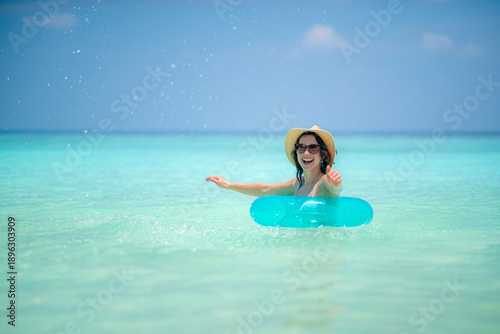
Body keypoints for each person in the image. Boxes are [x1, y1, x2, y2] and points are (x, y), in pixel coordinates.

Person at [205, 125, 343, 197]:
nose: (306, 153)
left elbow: (334, 189)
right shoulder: (297, 184)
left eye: (313, 148)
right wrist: (228, 185)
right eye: (301, 148)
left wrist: (335, 184)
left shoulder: (323, 183)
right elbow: (265, 189)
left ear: (323, 154)